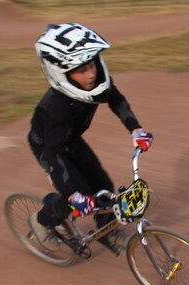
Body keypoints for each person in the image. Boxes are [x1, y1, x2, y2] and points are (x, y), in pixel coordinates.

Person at [27, 23, 153, 254]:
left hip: (72, 140)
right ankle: (41, 221)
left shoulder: (97, 84)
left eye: (92, 64)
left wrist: (135, 130)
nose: (92, 74)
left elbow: (117, 100)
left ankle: (107, 233)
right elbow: (52, 155)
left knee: (103, 186)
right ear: (61, 73)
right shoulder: (56, 107)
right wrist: (74, 195)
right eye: (82, 69)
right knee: (77, 195)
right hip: (49, 147)